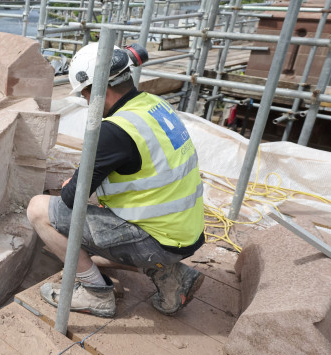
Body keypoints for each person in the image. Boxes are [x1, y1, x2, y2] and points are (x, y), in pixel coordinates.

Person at [26, 42, 205, 319]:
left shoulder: (114, 131)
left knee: (39, 210)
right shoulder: (153, 105)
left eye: (86, 95)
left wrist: (72, 185)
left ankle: (96, 294)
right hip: (184, 232)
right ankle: (171, 274)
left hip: (156, 239)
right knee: (93, 248)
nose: (86, 102)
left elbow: (73, 196)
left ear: (99, 91)